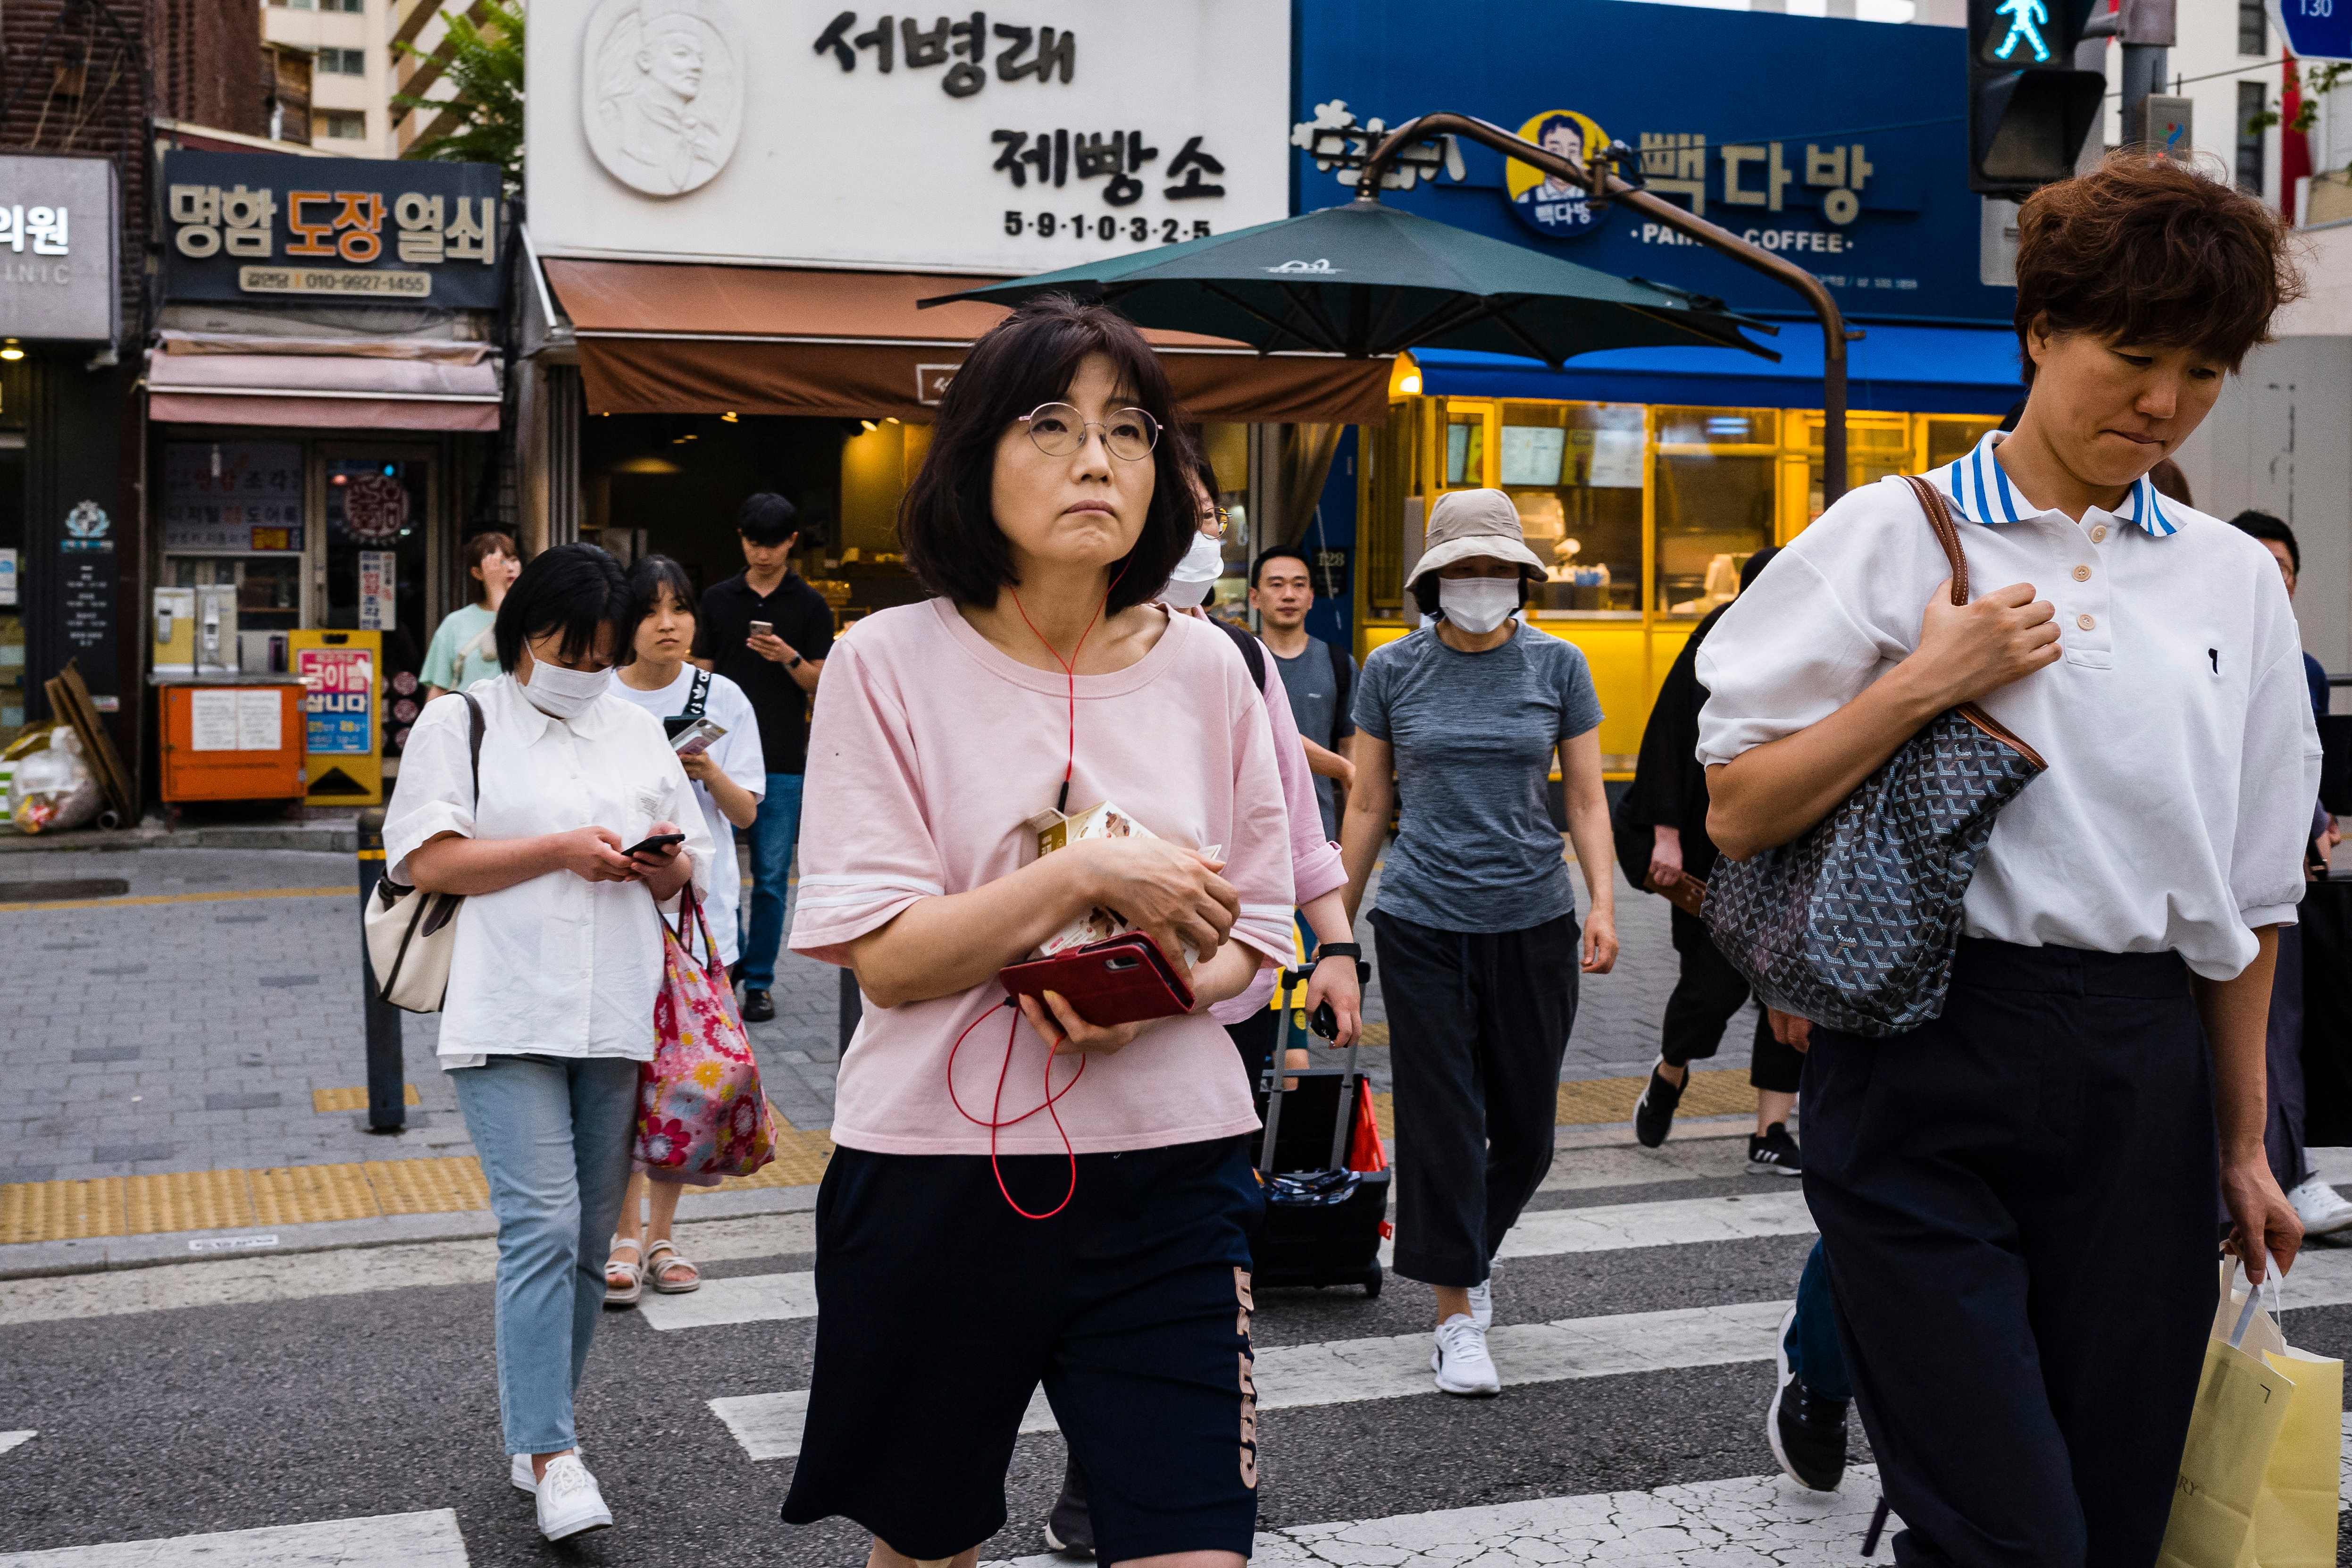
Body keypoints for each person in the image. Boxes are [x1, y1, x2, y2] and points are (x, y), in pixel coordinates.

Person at [1698, 152, 2316, 1563]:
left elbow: (2252, 893)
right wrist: (1922, 682)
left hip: (2137, 1067)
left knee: (2109, 1515)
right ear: (2037, 330)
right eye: (2131, 351)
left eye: (2203, 369)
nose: (2161, 400)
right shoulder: (1889, 533)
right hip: (1927, 1051)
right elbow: (1734, 806)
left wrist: (2237, 1145)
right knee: (2007, 1529)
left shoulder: (2227, 578)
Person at [778, 294, 1295, 1568]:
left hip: (1174, 1173)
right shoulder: (884, 660)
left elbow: (1260, 931)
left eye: (1131, 429)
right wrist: (1092, 874)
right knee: (927, 1542)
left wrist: (1162, 987)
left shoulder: (1215, 668)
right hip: (933, 1176)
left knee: (1194, 1544)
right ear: (971, 460)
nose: (1097, 458)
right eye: (1052, 423)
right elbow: (890, 959)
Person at [1039, 457, 1364, 1560]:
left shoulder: (1226, 658)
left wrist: (1336, 943)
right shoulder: (1038, 647)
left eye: (1210, 511)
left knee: (1172, 1272)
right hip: (1054, 1019)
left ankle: (1116, 1485)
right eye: (1186, 510)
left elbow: (1289, 819)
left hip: (1209, 1014)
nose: (1200, 530)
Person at [380, 542, 711, 1543]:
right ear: (526, 630)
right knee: (542, 1224)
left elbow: (685, 852)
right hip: (505, 1003)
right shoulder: (462, 718)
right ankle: (557, 1450)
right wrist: (560, 851)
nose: (588, 668)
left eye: (604, 653)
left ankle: (537, 1437)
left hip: (615, 1007)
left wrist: (656, 865)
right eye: (574, 647)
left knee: (584, 1242)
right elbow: (425, 853)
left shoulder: (633, 727)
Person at [1339, 487, 1620, 1399]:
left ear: (1522, 577)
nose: (1481, 584)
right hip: (1420, 918)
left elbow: (1583, 797)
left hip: (1534, 918)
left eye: (1497, 569)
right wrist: (1334, 931)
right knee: (1445, 1125)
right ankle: (1454, 1314)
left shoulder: (1561, 664)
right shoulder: (1390, 669)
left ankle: (1465, 1251)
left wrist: (1603, 901)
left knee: (1529, 1136)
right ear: (1434, 580)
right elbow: (1369, 803)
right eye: (1464, 570)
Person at [604, 553, 768, 1306]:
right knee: (621, 1077)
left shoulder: (721, 695)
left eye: (680, 608)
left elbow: (746, 814)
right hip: (612, 913)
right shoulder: (600, 698)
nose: (668, 624)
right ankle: (620, 1235)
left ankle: (662, 1234)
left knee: (684, 1079)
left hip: (699, 927)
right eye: (651, 610)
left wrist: (704, 772)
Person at [1624, 545, 1804, 1175]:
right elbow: (1668, 735)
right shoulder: (1715, 639)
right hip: (1713, 843)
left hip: (1790, 846)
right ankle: (1671, 1068)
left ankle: (1771, 1128)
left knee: (1788, 988)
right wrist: (1664, 834)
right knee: (1711, 987)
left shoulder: (1817, 644)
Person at [2227, 509, 2352, 1235]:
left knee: (2281, 1028)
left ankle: (2290, 1167)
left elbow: (2302, 770)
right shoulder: (2202, 648)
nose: (2272, 584)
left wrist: (2318, 823)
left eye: (2284, 574)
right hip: (2217, 875)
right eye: (2258, 569)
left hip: (2282, 878)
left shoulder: (2301, 669)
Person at [699, 492, 833, 1021]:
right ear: (741, 539)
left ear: (791, 542)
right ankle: (725, 967)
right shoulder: (716, 600)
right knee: (718, 867)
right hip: (720, 757)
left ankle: (759, 980)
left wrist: (788, 656)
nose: (762, 554)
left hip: (780, 755)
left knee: (773, 878)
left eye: (773, 544)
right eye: (754, 542)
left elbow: (822, 681)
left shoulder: (809, 605)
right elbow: (701, 673)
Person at [1248, 544, 1359, 843]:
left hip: (1317, 835)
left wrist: (1351, 847)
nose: (1289, 595)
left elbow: (1352, 755)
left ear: (1311, 598)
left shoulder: (1339, 664)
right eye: (1276, 585)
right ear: (1254, 598)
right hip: (1248, 832)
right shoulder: (1238, 661)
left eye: (1299, 585)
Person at [420, 531, 521, 702]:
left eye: (514, 560)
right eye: (500, 562)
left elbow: (516, 640)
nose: (510, 568)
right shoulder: (455, 623)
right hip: (469, 722)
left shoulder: (535, 615)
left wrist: (497, 590)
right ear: (477, 573)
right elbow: (439, 689)